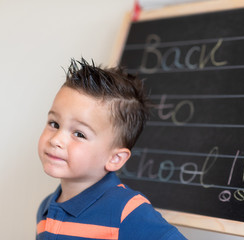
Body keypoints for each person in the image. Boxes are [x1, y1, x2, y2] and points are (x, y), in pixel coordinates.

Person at [36, 58, 187, 240]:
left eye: (79, 134)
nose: (56, 139)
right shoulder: (45, 208)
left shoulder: (127, 210)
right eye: (54, 123)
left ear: (115, 158)